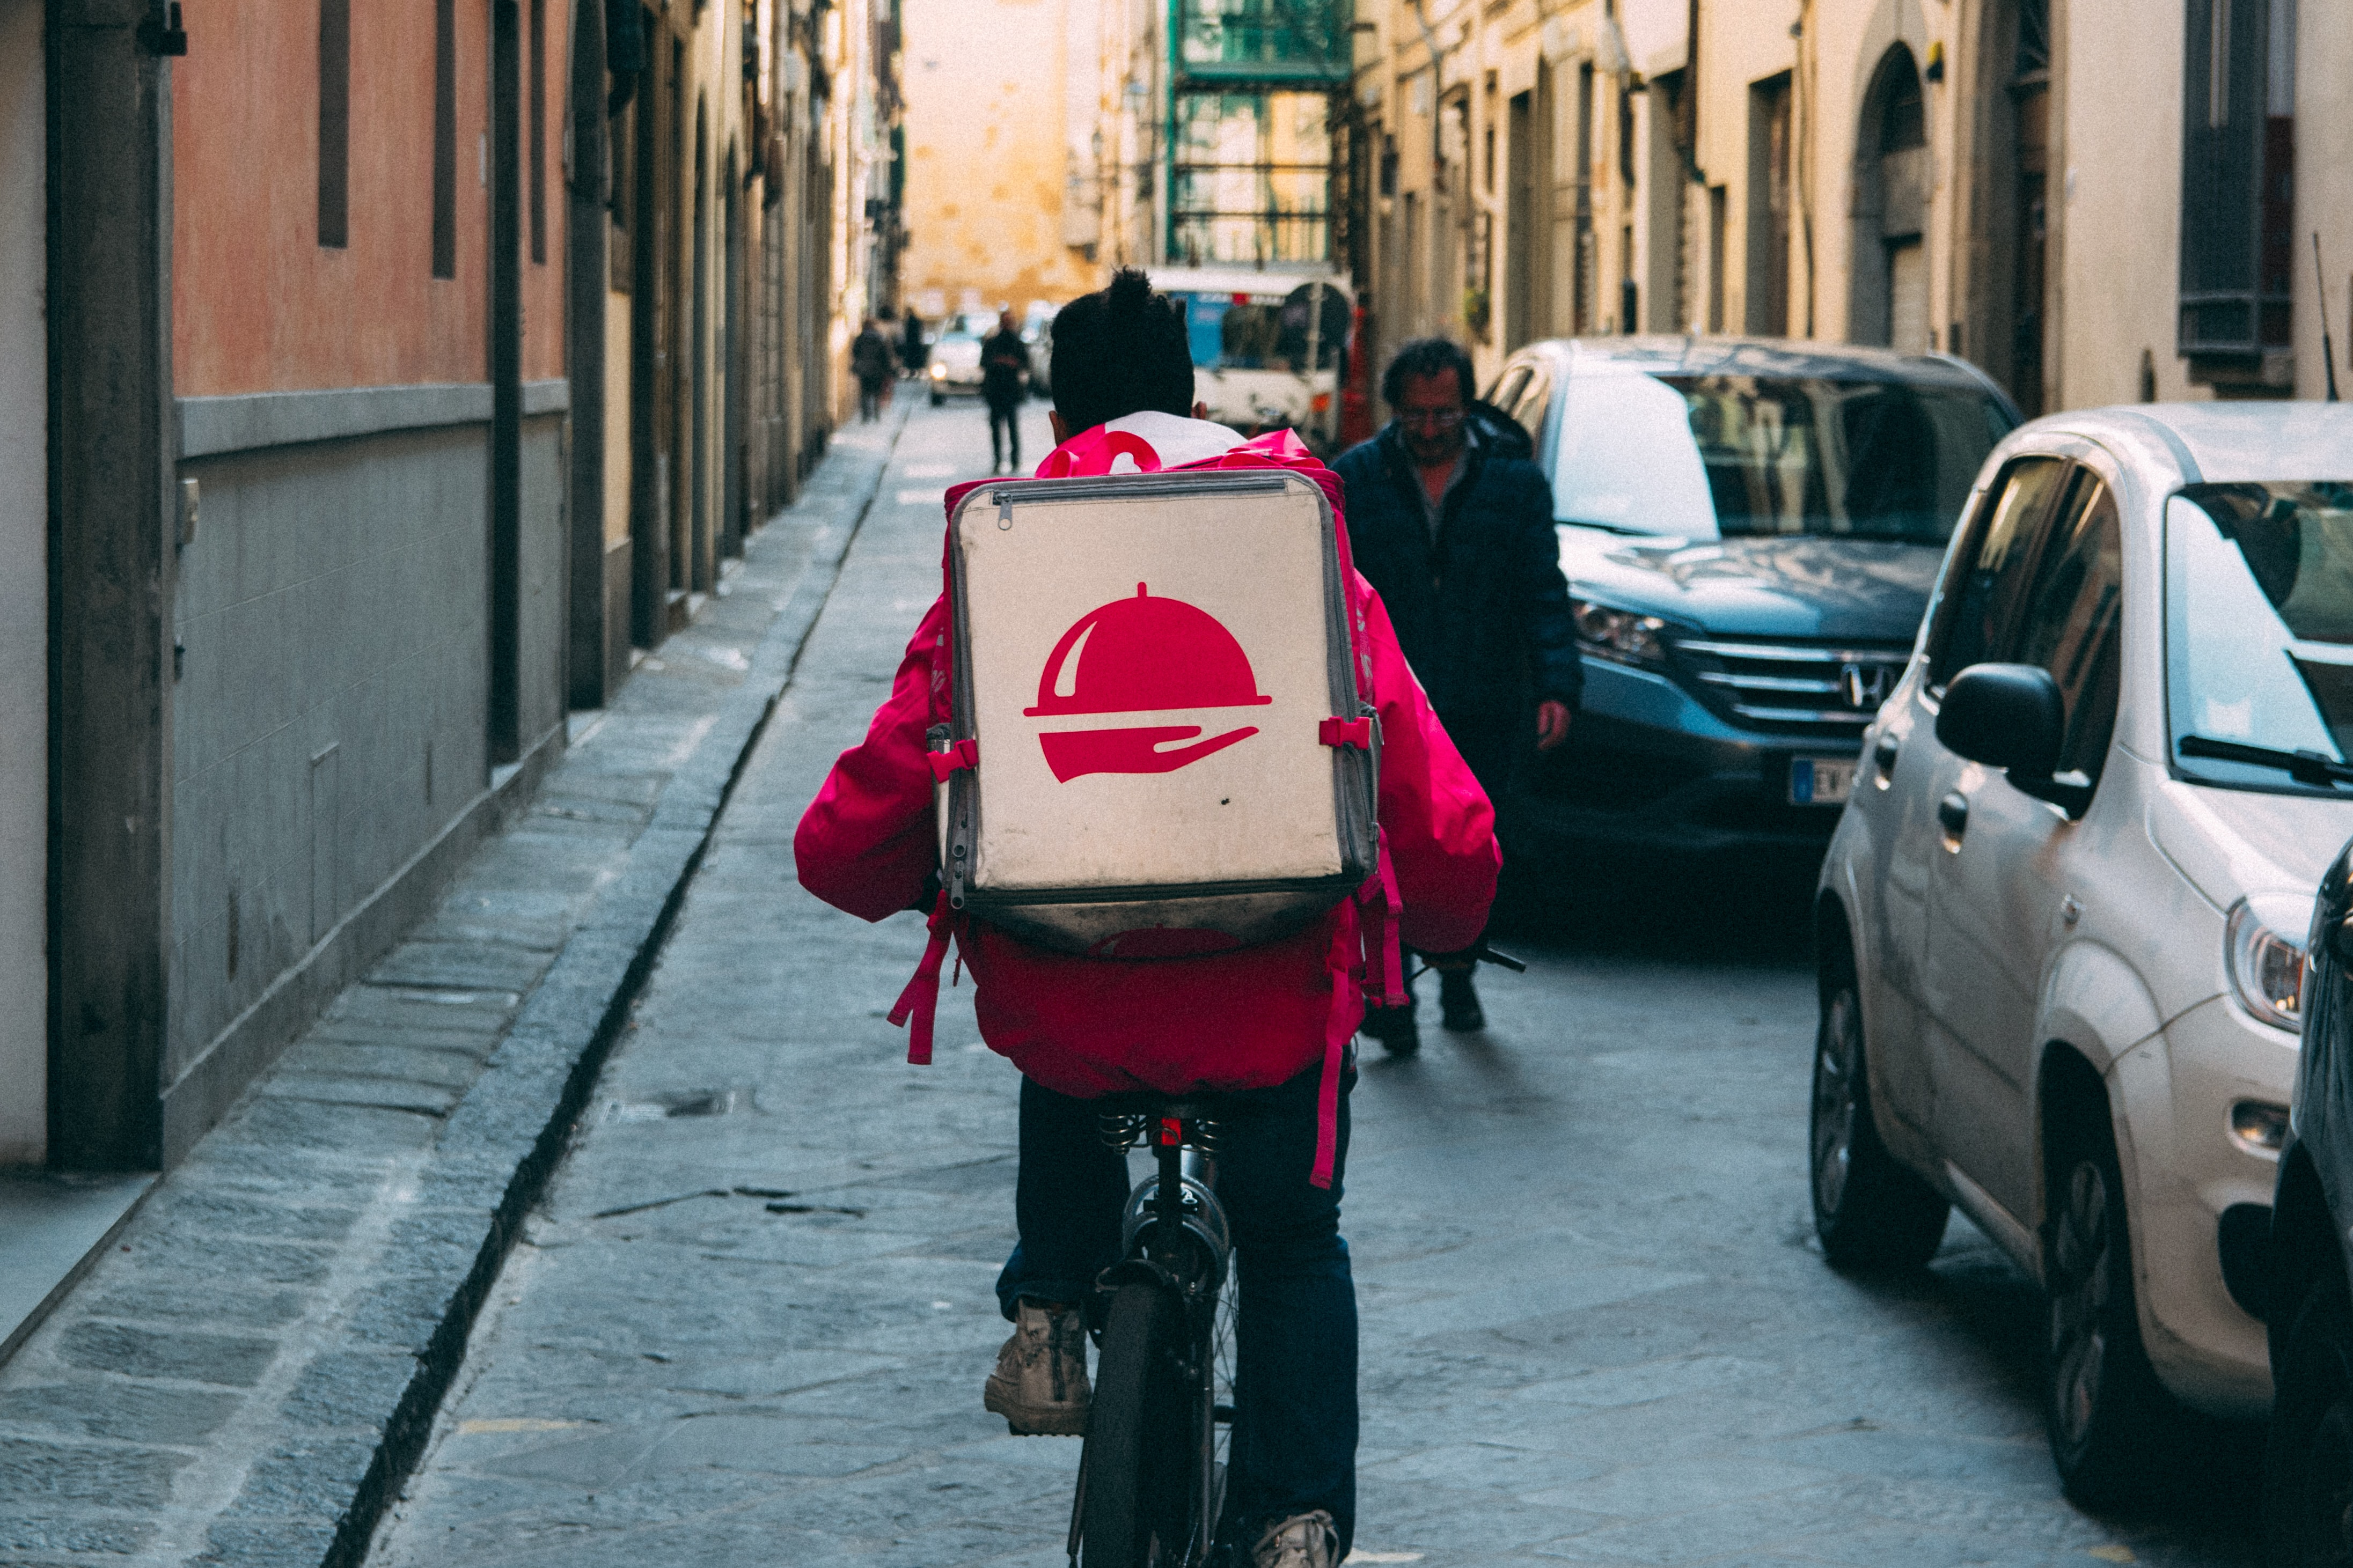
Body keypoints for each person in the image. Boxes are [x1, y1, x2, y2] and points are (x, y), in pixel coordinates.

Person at [794, 269, 1498, 1568]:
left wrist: (884, 872)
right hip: (1270, 995)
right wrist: (1451, 911)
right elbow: (1421, 784)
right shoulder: (1295, 536)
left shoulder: (1009, 556)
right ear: (1190, 392)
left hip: (1074, 1007)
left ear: (1061, 404)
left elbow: (885, 792)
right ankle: (1292, 1511)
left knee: (1058, 1017)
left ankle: (1051, 1314)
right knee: (1291, 1236)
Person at [1329, 337, 1580, 1048]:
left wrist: (1557, 684)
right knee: (1391, 850)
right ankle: (1394, 996)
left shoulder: (1516, 483)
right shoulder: (1357, 481)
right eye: (1416, 416)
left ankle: (1460, 974)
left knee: (1470, 850)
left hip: (1486, 697)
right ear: (1395, 411)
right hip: (1392, 707)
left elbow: (1542, 591)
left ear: (1466, 407)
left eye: (1444, 414)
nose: (1431, 429)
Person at [980, 306, 1030, 473]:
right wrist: (999, 362)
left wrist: (1011, 363)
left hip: (1010, 391)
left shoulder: (1017, 342)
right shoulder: (992, 342)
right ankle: (998, 460)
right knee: (997, 428)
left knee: (1012, 427)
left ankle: (1015, 460)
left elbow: (1025, 363)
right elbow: (984, 363)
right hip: (996, 390)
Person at [851, 316, 893, 422]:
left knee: (865, 392)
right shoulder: (880, 339)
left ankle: (866, 416)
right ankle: (876, 414)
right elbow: (885, 355)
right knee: (877, 392)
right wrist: (888, 370)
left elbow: (855, 352)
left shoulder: (860, 339)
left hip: (864, 369)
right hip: (877, 369)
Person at [899, 306, 928, 379]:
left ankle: (912, 375)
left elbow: (905, 335)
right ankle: (917, 375)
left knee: (911, 363)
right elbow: (921, 333)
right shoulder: (918, 321)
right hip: (917, 345)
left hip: (910, 346)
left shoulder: (907, 322)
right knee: (917, 363)